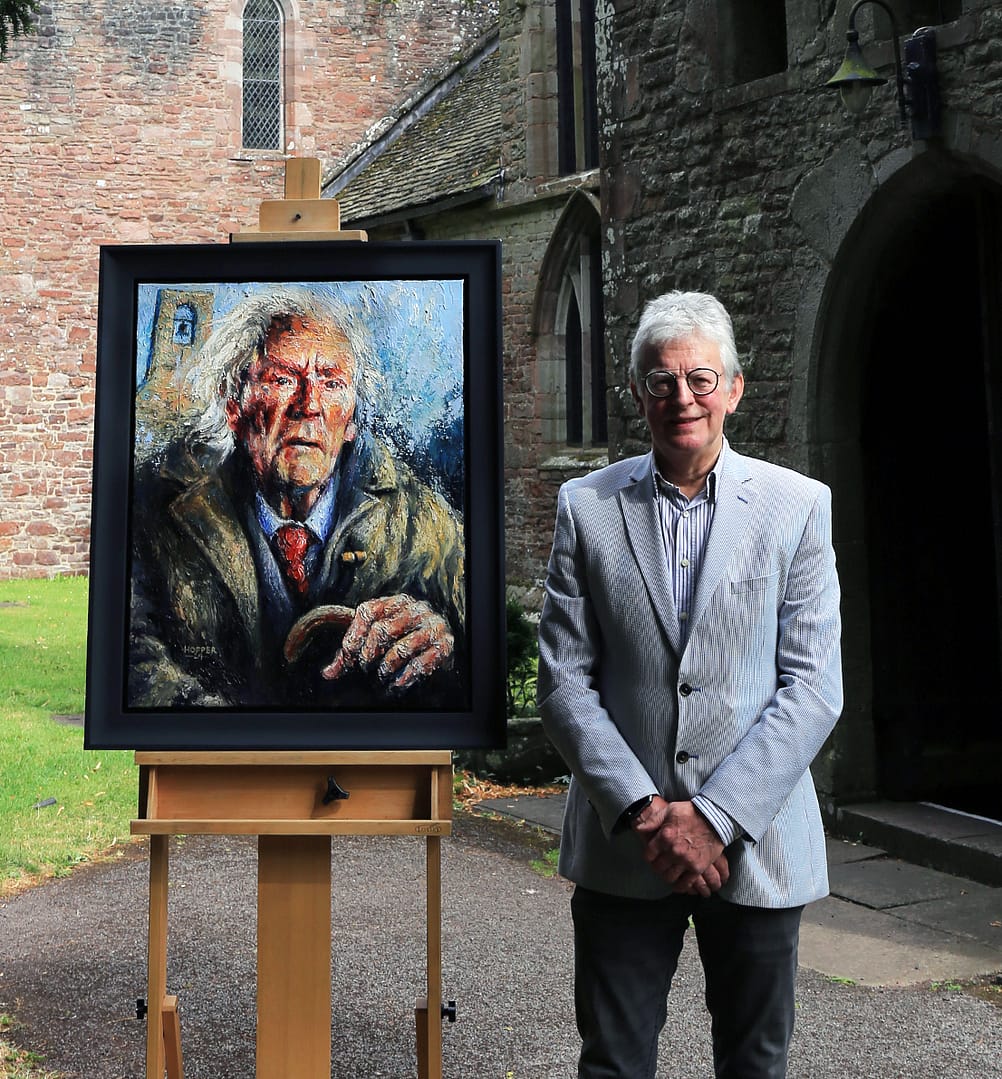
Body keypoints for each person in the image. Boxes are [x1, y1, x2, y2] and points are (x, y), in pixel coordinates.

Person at [537, 291, 842, 1078]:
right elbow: (565, 682)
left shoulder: (798, 507)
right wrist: (646, 812)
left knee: (755, 1064)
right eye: (662, 381)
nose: (683, 398)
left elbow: (812, 687)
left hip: (758, 839)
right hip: (624, 844)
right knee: (613, 1062)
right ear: (637, 394)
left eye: (701, 379)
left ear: (734, 389)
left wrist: (713, 817)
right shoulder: (587, 506)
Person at [129, 286, 465, 710]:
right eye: (282, 379)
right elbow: (137, 665)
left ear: (352, 422)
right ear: (234, 406)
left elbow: (478, 652)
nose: (309, 405)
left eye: (331, 382)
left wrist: (440, 642)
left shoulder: (421, 523)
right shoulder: (161, 512)